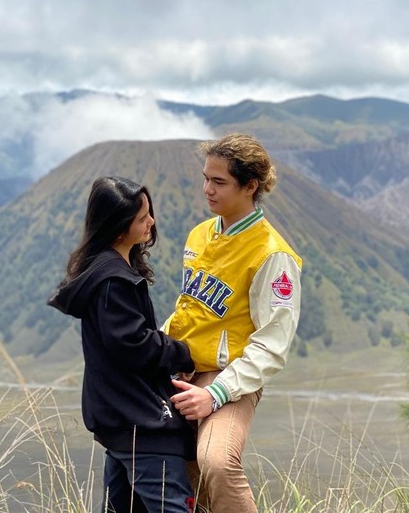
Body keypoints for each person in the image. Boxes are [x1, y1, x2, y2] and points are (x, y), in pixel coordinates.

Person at [166, 134, 302, 512]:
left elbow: (272, 346)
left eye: (219, 181)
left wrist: (214, 394)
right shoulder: (199, 234)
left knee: (217, 463)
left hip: (227, 378)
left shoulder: (273, 256)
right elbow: (188, 307)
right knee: (176, 466)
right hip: (181, 369)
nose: (207, 189)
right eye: (206, 178)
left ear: (250, 186)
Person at [47, 176, 196, 513]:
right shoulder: (114, 280)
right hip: (140, 424)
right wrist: (183, 353)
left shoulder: (103, 271)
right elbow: (134, 344)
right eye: (142, 218)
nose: (151, 222)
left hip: (119, 422)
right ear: (118, 228)